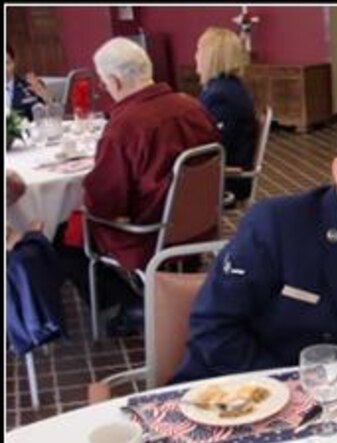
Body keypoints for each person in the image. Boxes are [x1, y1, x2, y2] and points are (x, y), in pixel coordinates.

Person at [173, 116, 337, 382]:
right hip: (234, 385)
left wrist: (331, 380)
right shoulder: (275, 224)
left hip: (331, 391)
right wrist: (290, 386)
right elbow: (214, 327)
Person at [54, 37, 219, 337]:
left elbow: (105, 202)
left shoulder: (124, 127)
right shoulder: (192, 106)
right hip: (200, 223)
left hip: (151, 234)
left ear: (115, 81)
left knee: (63, 237)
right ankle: (178, 273)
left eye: (104, 84)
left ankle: (132, 306)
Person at [195, 27, 257, 206]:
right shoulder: (231, 88)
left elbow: (213, 145)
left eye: (199, 51)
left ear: (211, 57)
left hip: (227, 180)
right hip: (227, 170)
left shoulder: (220, 96)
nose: (196, 57)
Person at [6, 46, 51, 120]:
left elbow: (56, 115)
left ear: (14, 63)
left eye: (7, 63)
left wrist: (47, 98)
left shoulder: (30, 85)